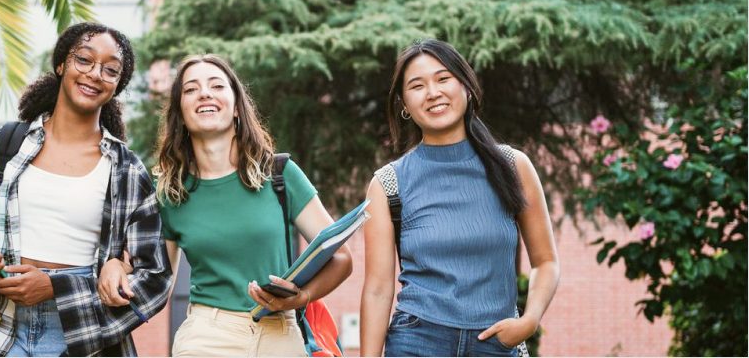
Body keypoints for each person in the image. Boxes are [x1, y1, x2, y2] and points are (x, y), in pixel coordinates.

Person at [0, 22, 171, 357]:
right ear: (61, 64)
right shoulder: (3, 145)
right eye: (84, 60)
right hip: (0, 333)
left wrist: (57, 288)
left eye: (110, 70)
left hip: (82, 337)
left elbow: (155, 278)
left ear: (117, 85)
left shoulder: (126, 170)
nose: (94, 74)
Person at [360, 39, 560, 357]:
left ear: (466, 86)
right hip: (417, 342)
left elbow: (546, 261)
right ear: (404, 104)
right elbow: (377, 289)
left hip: (496, 343)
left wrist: (530, 319)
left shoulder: (513, 166)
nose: (433, 93)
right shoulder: (388, 184)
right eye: (417, 86)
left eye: (443, 79)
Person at [150, 54, 353, 356]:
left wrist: (301, 297)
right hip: (207, 336)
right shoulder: (169, 191)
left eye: (216, 85)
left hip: (280, 334)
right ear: (180, 112)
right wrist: (116, 265)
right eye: (191, 89)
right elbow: (157, 282)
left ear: (236, 108)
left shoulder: (280, 175)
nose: (204, 92)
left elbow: (341, 259)